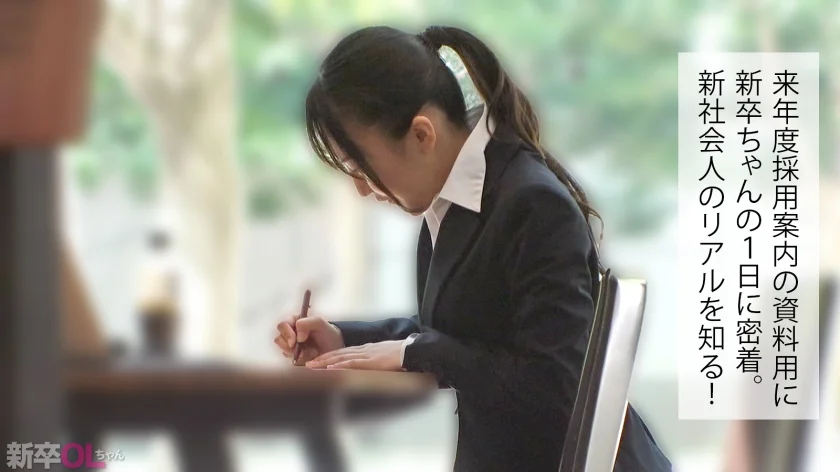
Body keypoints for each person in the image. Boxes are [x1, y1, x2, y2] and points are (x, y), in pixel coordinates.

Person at [275, 25, 672, 472]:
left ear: (422, 134)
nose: (362, 189)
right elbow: (464, 329)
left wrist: (417, 352)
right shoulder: (454, 200)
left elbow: (555, 381)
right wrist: (343, 338)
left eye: (360, 167)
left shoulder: (533, 204)